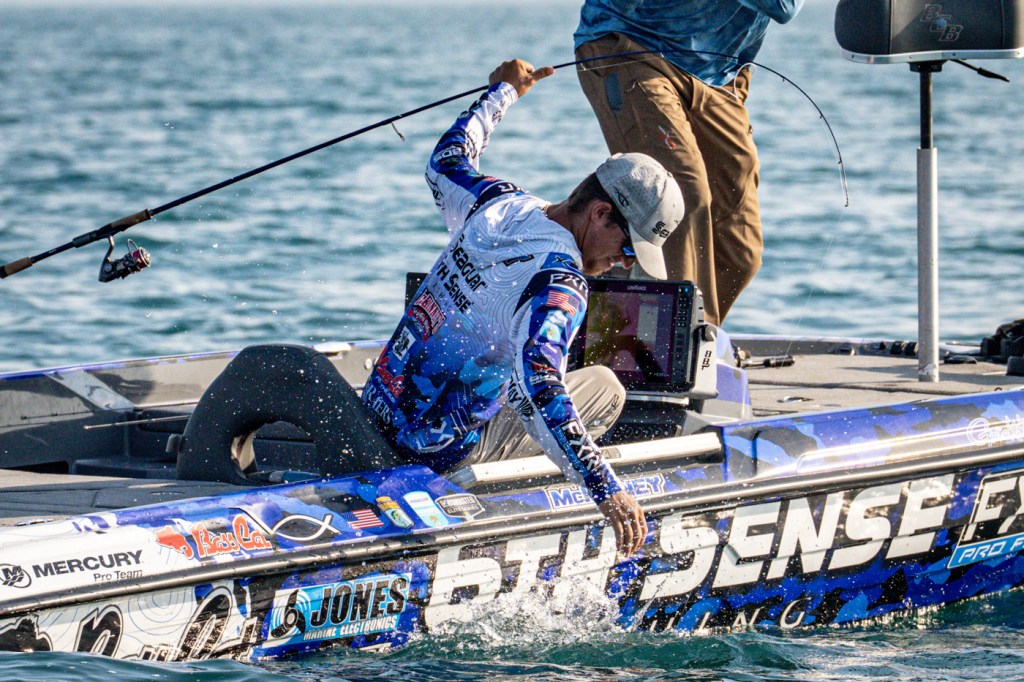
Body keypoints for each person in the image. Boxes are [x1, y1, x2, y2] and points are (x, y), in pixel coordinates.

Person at [362, 59, 684, 557]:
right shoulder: (561, 283)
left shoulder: (499, 202)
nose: (624, 265)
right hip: (432, 455)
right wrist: (606, 488)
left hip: (374, 414)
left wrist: (503, 92)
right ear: (600, 213)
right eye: (627, 249)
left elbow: (446, 160)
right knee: (604, 387)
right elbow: (537, 385)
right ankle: (487, 495)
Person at [574, 0, 804, 327]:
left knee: (740, 250)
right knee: (682, 195)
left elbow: (784, 7)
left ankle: (679, 336)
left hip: (720, 73)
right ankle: (675, 348)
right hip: (631, 43)